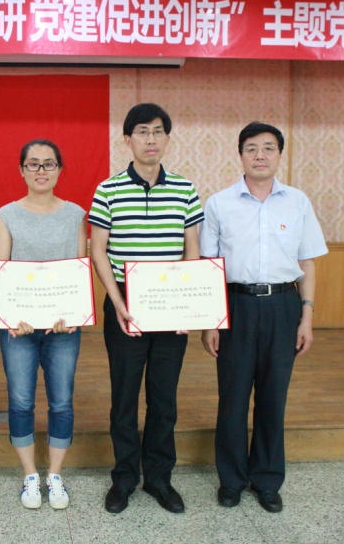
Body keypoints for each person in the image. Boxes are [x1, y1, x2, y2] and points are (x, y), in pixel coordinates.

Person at [200, 121, 327, 513]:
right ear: (240, 155)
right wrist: (211, 321)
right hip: (235, 306)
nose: (260, 155)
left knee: (273, 397)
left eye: (268, 148)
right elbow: (210, 265)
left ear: (279, 155)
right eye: (251, 148)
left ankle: (268, 480)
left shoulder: (297, 202)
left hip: (283, 306)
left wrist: (306, 316)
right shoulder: (219, 204)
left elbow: (307, 261)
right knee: (233, 398)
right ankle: (232, 480)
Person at [89, 103, 203, 514]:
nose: (150, 139)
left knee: (164, 397)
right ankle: (124, 479)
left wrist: (186, 305)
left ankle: (159, 478)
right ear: (128, 139)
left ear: (167, 139)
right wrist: (118, 302)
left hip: (170, 301)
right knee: (124, 397)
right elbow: (98, 251)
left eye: (157, 131)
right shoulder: (108, 190)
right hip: (125, 301)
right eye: (142, 131)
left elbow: (192, 250)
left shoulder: (185, 189)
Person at [0, 139, 87, 510]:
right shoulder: (6, 215)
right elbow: (2, 272)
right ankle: (30, 474)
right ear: (22, 170)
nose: (41, 170)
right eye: (33, 164)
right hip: (19, 329)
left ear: (60, 170)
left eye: (49, 164)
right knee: (20, 401)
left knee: (62, 402)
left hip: (64, 329)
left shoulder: (75, 215)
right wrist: (12, 316)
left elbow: (79, 269)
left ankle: (55, 475)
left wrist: (73, 314)